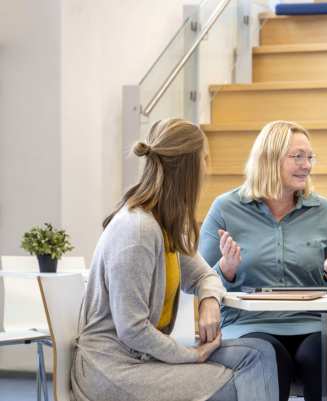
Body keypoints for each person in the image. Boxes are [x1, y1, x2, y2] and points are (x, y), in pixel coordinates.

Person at [71, 119, 278, 401]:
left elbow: (206, 276)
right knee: (232, 384)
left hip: (144, 356)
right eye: (205, 159)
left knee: (260, 353)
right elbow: (132, 330)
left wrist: (209, 302)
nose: (209, 167)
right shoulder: (138, 231)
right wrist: (190, 355)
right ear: (189, 169)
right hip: (113, 369)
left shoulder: (163, 224)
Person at [199, 120, 327, 401]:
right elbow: (199, 282)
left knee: (326, 356)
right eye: (297, 157)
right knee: (268, 357)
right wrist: (226, 270)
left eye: (310, 157)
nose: (307, 165)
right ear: (269, 159)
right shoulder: (225, 208)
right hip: (248, 325)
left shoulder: (324, 211)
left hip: (312, 325)